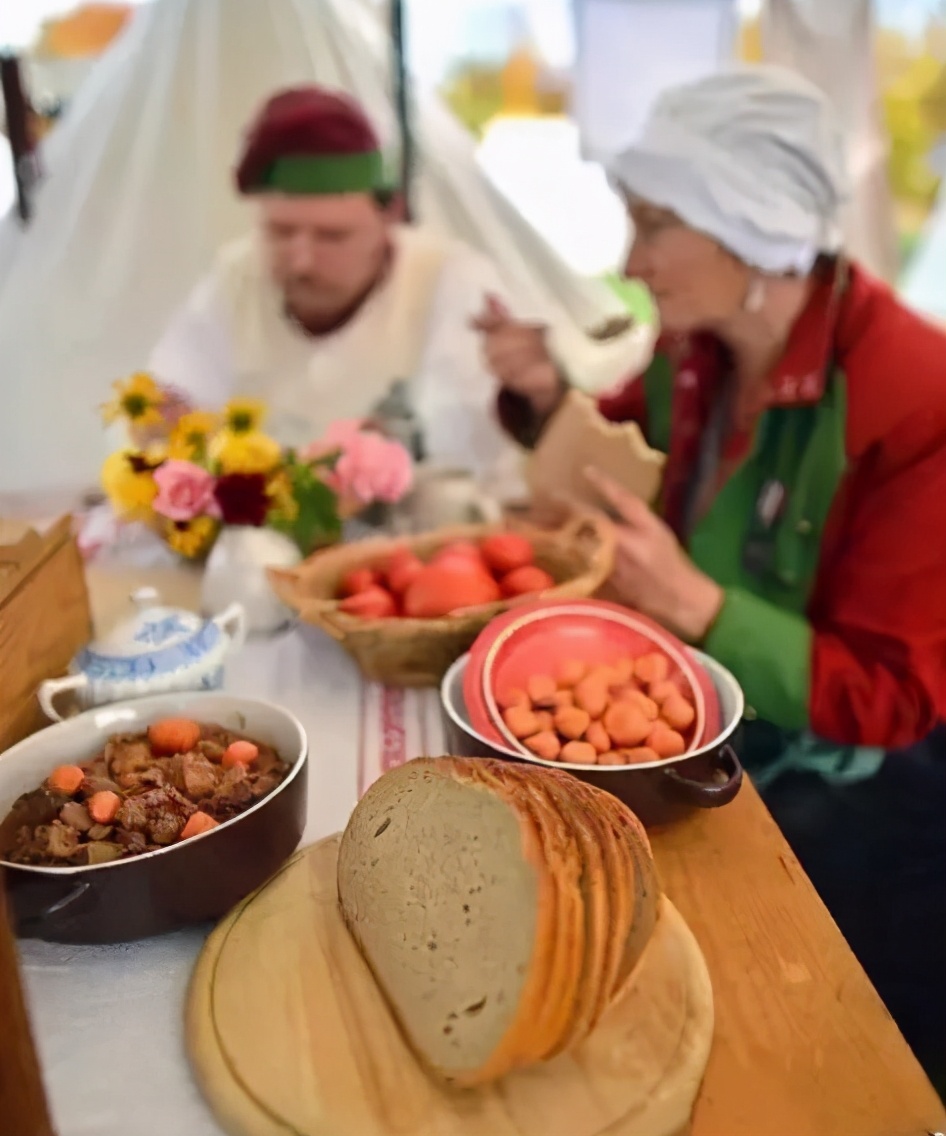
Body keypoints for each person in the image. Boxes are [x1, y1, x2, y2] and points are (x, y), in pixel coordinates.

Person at [485, 65, 946, 1088]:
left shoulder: (916, 399)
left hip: (859, 794)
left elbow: (892, 694)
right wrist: (537, 392)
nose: (630, 260)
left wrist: (695, 603)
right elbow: (615, 428)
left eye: (653, 226)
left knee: (769, 1042)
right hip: (702, 722)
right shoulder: (703, 345)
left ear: (751, 232)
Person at [148, 85, 648, 496]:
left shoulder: (451, 280)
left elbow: (467, 452)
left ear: (389, 217)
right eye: (281, 232)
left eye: (332, 236)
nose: (300, 259)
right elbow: (168, 404)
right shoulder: (236, 277)